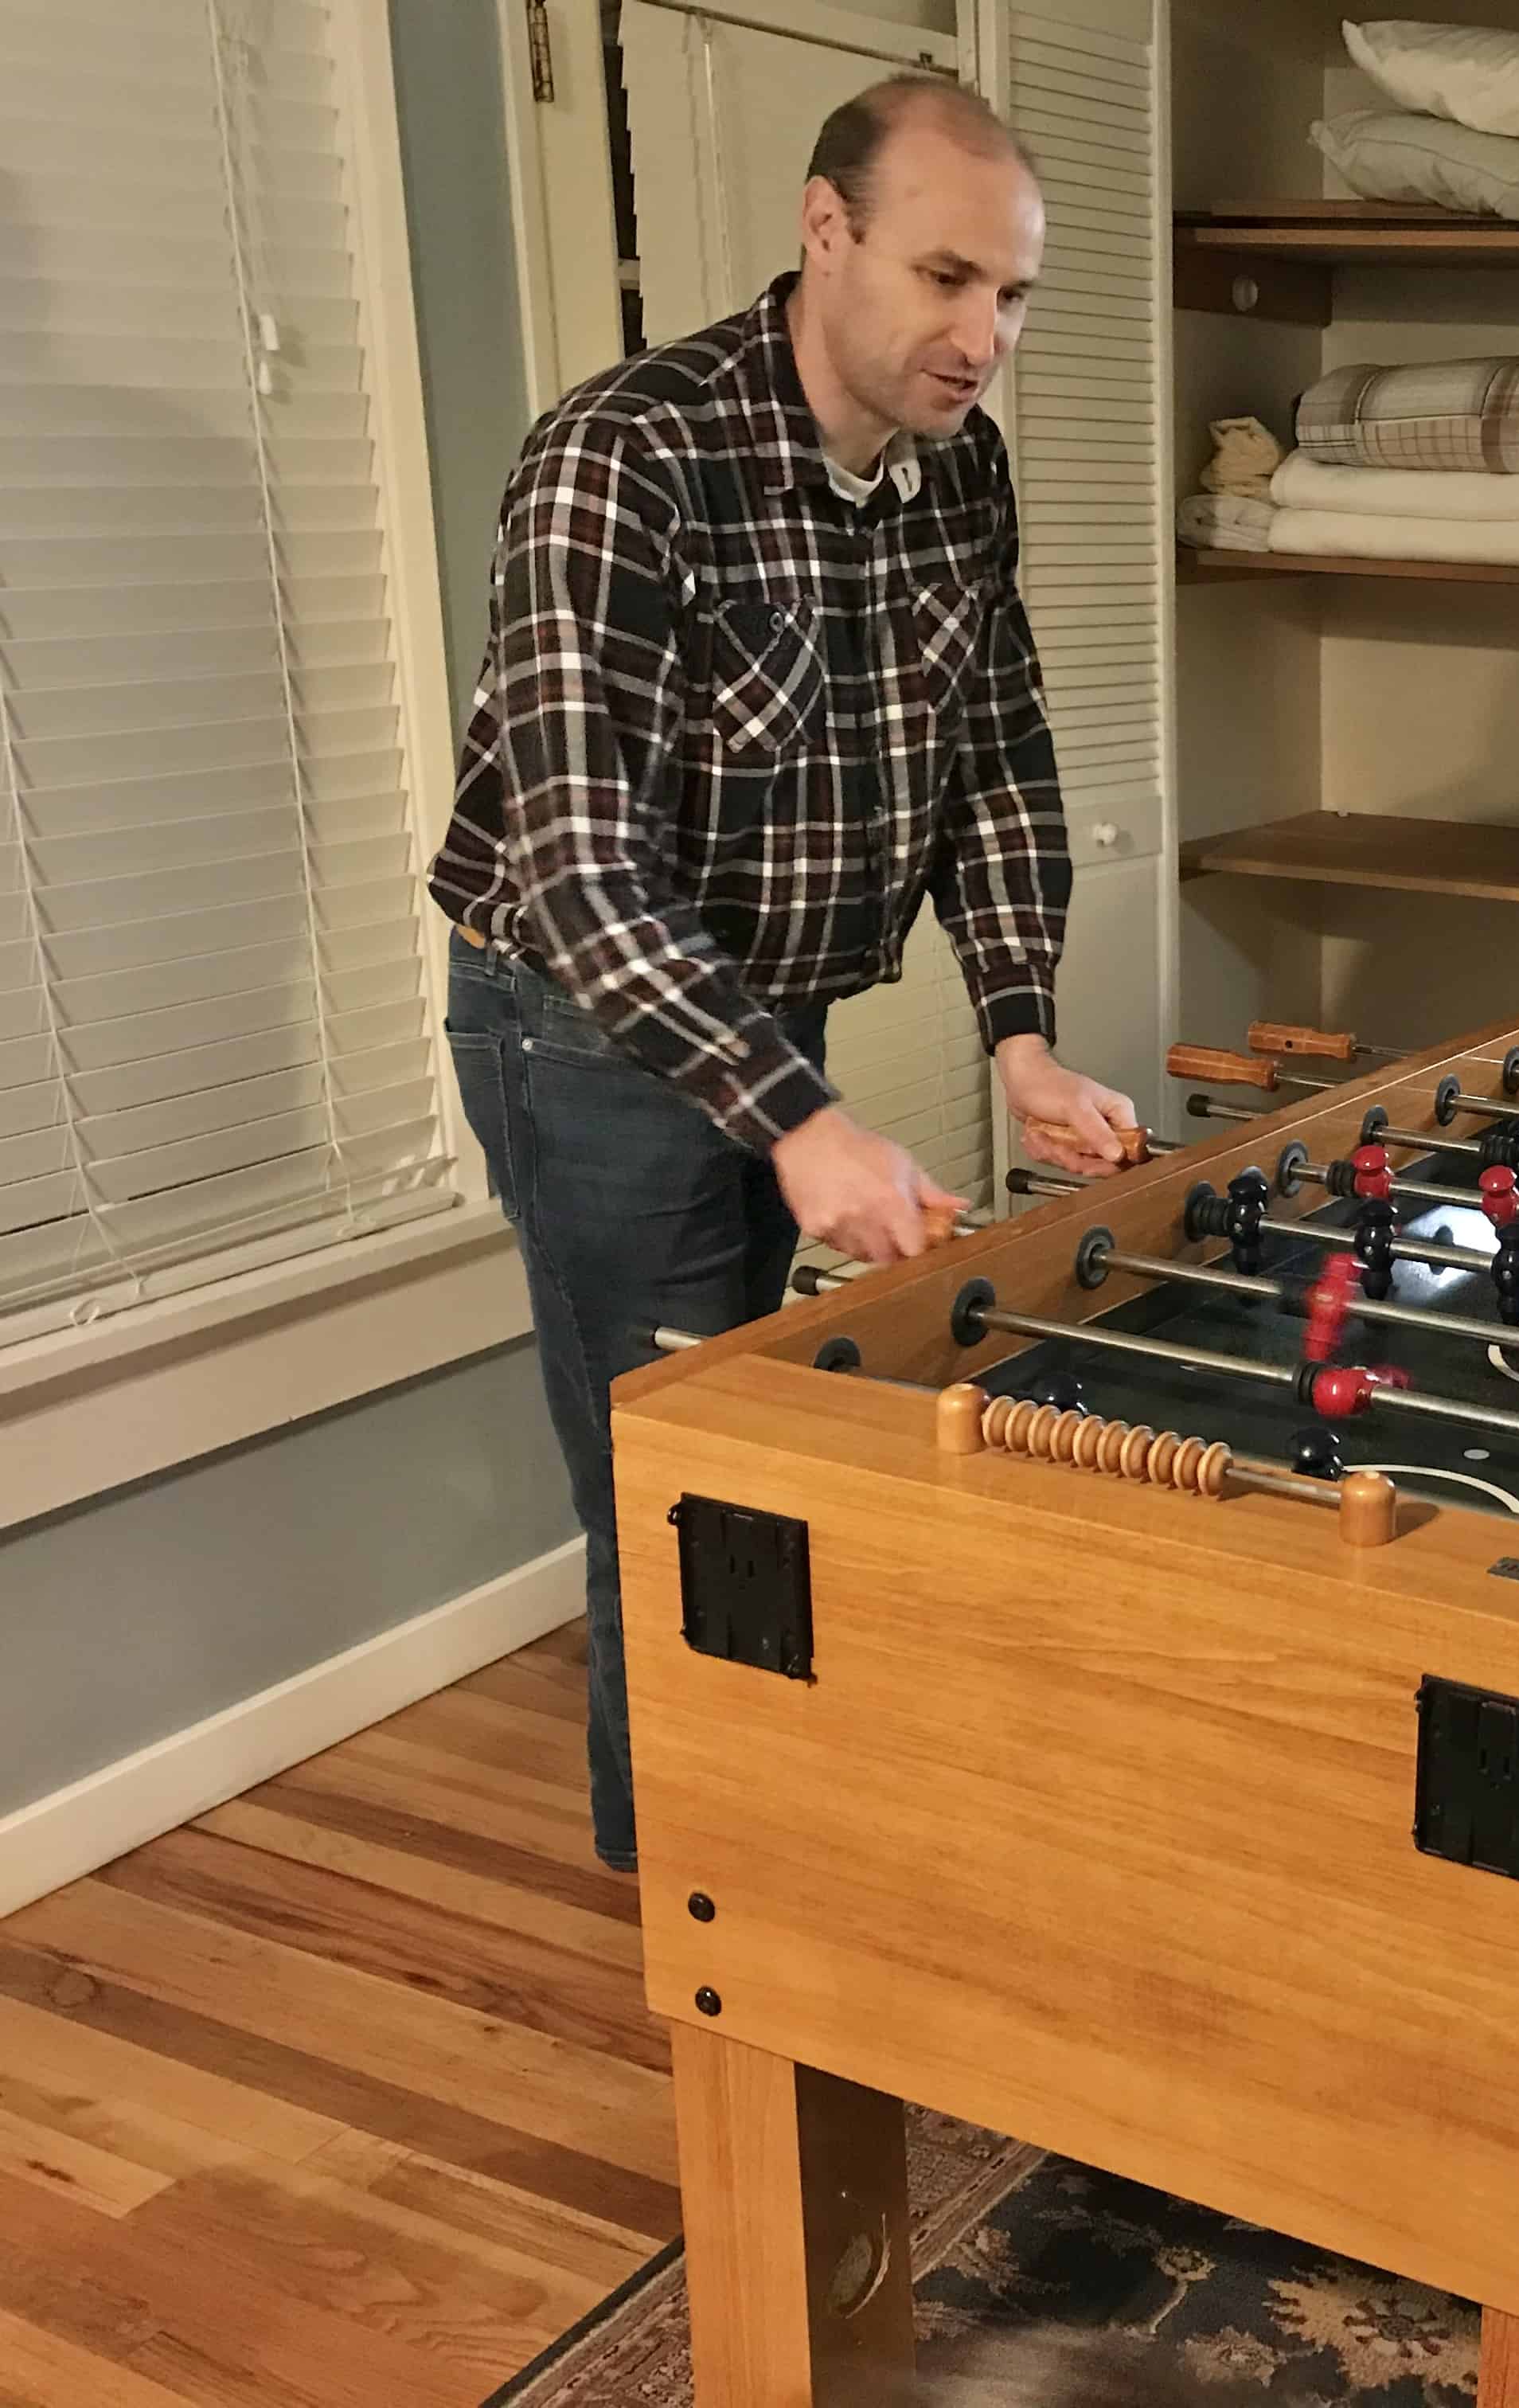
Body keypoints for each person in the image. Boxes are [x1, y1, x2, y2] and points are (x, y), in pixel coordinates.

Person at [427, 76, 1137, 1875]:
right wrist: (805, 1117)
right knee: (675, 1495)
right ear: (827, 234)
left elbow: (996, 757)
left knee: (771, 1471)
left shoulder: (951, 468)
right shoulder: (624, 459)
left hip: (763, 1027)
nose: (985, 339)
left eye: (1016, 297)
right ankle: (688, 1912)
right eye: (948, 277)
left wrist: (1024, 1038)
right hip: (586, 1033)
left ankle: (783, 1859)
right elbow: (582, 876)